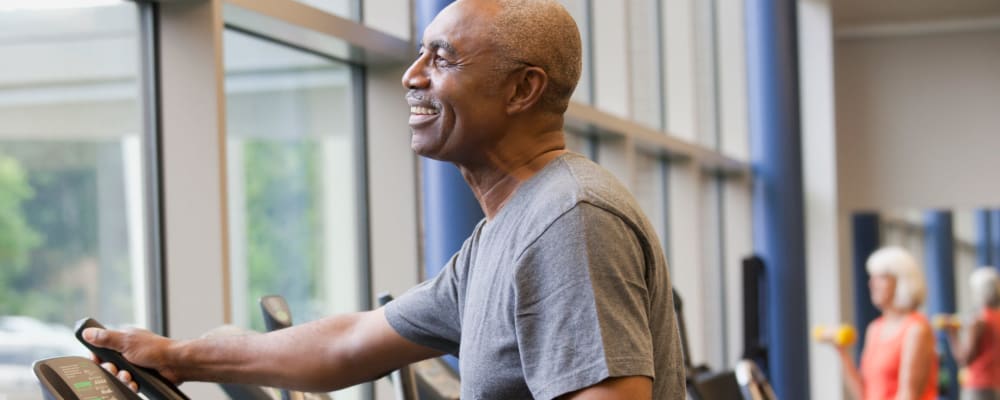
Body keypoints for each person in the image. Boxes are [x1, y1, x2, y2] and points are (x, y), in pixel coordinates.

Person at [82, 0, 686, 398]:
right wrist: (177, 355)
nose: (411, 75)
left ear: (522, 89)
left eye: (442, 57)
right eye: (420, 52)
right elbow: (349, 344)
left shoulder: (568, 221)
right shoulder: (510, 228)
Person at [822, 246, 938, 400]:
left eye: (881, 277)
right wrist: (841, 350)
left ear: (902, 281)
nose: (871, 284)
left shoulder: (917, 329)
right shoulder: (874, 328)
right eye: (872, 277)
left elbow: (908, 395)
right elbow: (864, 393)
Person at [942, 267, 1000, 400]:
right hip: (996, 384)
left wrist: (952, 333)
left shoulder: (978, 321)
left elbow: (964, 358)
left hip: (978, 386)